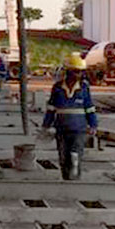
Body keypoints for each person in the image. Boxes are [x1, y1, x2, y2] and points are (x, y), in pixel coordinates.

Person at [42, 53, 98, 181]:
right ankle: (66, 178)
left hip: (79, 128)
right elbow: (51, 108)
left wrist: (93, 125)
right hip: (61, 128)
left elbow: (89, 107)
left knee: (76, 153)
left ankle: (75, 179)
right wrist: (46, 126)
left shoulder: (84, 88)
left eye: (80, 72)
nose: (79, 75)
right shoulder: (57, 88)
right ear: (68, 72)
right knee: (63, 156)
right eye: (76, 72)